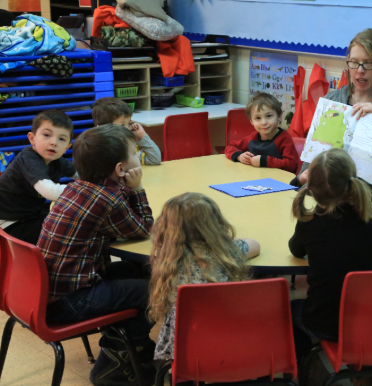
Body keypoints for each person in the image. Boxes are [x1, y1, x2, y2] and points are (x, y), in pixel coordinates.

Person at [38, 124, 156, 386]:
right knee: (155, 290)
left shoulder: (76, 187)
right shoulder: (108, 200)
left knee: (132, 270)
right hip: (70, 301)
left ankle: (133, 348)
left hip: (46, 294)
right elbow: (143, 229)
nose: (138, 156)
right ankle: (114, 366)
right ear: (120, 170)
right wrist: (137, 189)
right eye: (135, 152)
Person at [288, 148, 372, 365]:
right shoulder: (366, 215)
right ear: (351, 182)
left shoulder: (310, 221)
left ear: (311, 189)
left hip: (323, 322)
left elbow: (295, 250)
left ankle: (311, 366)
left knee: (288, 310)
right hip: (366, 320)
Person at [291, 28, 372, 198]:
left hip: (368, 201)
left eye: (368, 63)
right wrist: (300, 181)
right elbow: (310, 164)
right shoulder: (332, 101)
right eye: (354, 62)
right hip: (325, 196)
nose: (360, 70)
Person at [148, 192, 260, 361]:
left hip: (184, 354)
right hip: (236, 344)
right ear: (214, 226)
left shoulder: (166, 262)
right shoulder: (226, 253)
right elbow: (254, 245)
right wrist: (222, 242)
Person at [0, 110, 76, 245]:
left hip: (29, 217)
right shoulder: (28, 158)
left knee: (72, 223)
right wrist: (86, 191)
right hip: (7, 224)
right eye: (47, 135)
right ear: (32, 138)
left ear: (67, 147)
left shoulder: (58, 161)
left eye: (62, 139)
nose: (54, 142)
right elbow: (50, 191)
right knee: (66, 229)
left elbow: (86, 175)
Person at [224, 92, 298, 174]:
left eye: (269, 116)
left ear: (279, 116)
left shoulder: (284, 138)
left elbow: (292, 164)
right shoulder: (253, 137)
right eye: (258, 118)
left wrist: (264, 161)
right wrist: (239, 156)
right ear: (251, 121)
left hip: (277, 182)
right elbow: (230, 147)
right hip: (255, 181)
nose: (264, 122)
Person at [92, 97, 161, 165]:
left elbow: (155, 159)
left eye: (128, 123)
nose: (128, 129)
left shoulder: (128, 148)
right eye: (122, 125)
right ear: (101, 128)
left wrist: (142, 136)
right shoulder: (94, 152)